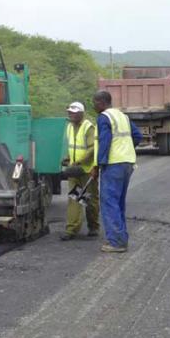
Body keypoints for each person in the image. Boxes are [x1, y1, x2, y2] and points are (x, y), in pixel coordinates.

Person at [90, 91, 143, 253]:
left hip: (113, 164)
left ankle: (116, 242)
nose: (93, 106)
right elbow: (137, 136)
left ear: (101, 102)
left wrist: (98, 166)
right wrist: (126, 149)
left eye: (94, 102)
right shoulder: (122, 116)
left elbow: (104, 143)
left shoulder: (104, 118)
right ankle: (121, 238)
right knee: (118, 202)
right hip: (127, 162)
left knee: (109, 201)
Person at [60, 101, 99, 241]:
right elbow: (74, 146)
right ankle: (71, 229)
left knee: (90, 200)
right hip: (75, 170)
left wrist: (80, 161)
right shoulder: (70, 127)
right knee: (74, 198)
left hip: (87, 170)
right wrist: (69, 158)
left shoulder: (88, 127)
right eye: (70, 112)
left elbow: (92, 148)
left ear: (81, 114)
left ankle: (93, 227)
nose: (71, 115)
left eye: (74, 112)